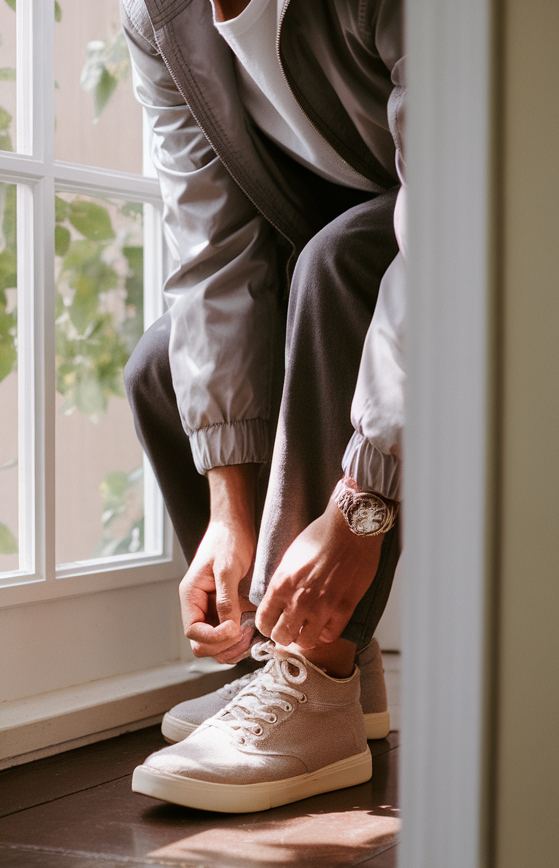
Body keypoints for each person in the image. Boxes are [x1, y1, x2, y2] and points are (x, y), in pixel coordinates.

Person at [121, 0, 406, 813]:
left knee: (338, 262)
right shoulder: (156, 17)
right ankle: (310, 667)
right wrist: (227, 512)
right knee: (158, 365)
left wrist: (362, 508)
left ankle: (315, 672)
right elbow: (214, 253)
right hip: (337, 237)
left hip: (481, 227)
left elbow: (452, 208)